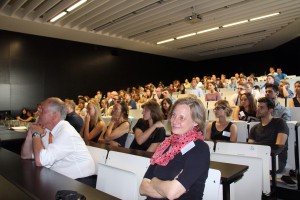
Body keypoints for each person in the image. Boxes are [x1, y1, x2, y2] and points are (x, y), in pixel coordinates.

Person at [139, 96, 210, 199]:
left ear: (196, 122)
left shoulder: (200, 149)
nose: (174, 121)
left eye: (182, 117)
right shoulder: (165, 145)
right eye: (173, 115)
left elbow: (172, 193)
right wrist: (166, 187)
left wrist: (154, 181)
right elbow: (143, 188)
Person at [20, 97, 95, 180]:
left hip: (81, 183)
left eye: (42, 111)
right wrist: (31, 132)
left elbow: (40, 161)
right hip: (61, 179)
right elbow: (25, 155)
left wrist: (36, 134)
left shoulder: (66, 132)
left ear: (54, 115)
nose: (37, 113)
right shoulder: (47, 130)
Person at [248, 98, 290, 177]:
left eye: (262, 107)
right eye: (258, 107)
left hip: (276, 160)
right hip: (258, 158)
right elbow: (250, 146)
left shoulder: (280, 123)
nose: (258, 109)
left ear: (270, 110)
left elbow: (280, 145)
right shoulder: (254, 128)